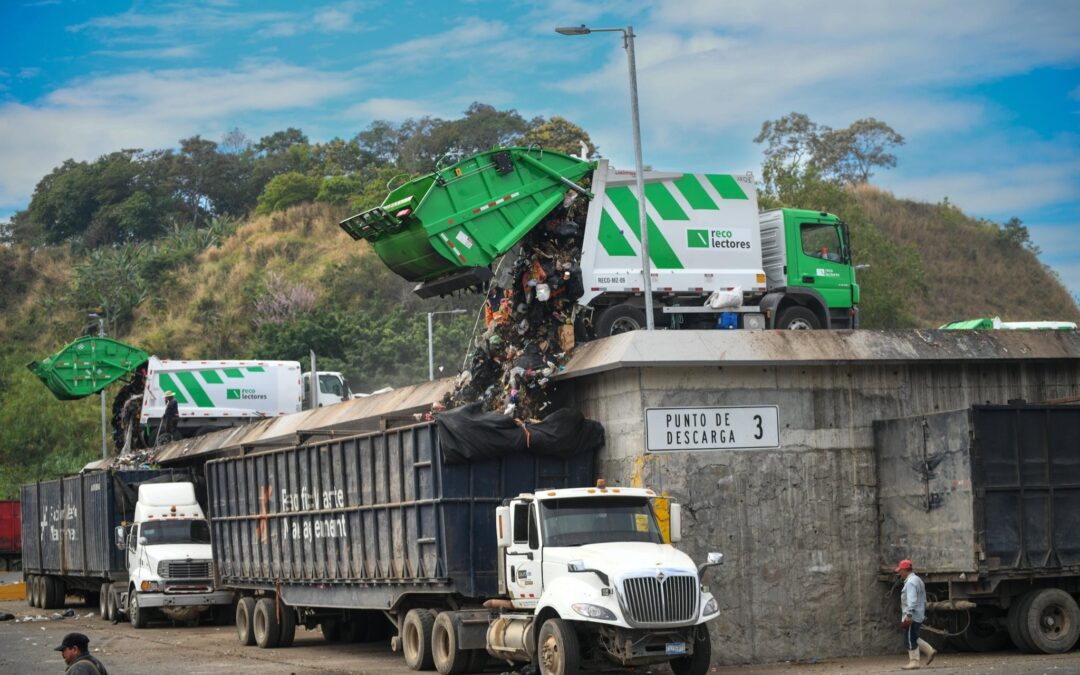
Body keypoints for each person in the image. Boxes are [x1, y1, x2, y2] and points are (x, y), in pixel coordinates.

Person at [896, 559, 936, 669]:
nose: (899, 573)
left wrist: (908, 615)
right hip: (918, 614)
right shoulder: (917, 579)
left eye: (900, 570)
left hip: (912, 616)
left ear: (905, 570)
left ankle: (914, 662)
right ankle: (929, 650)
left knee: (909, 638)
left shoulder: (910, 583)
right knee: (913, 636)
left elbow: (912, 600)